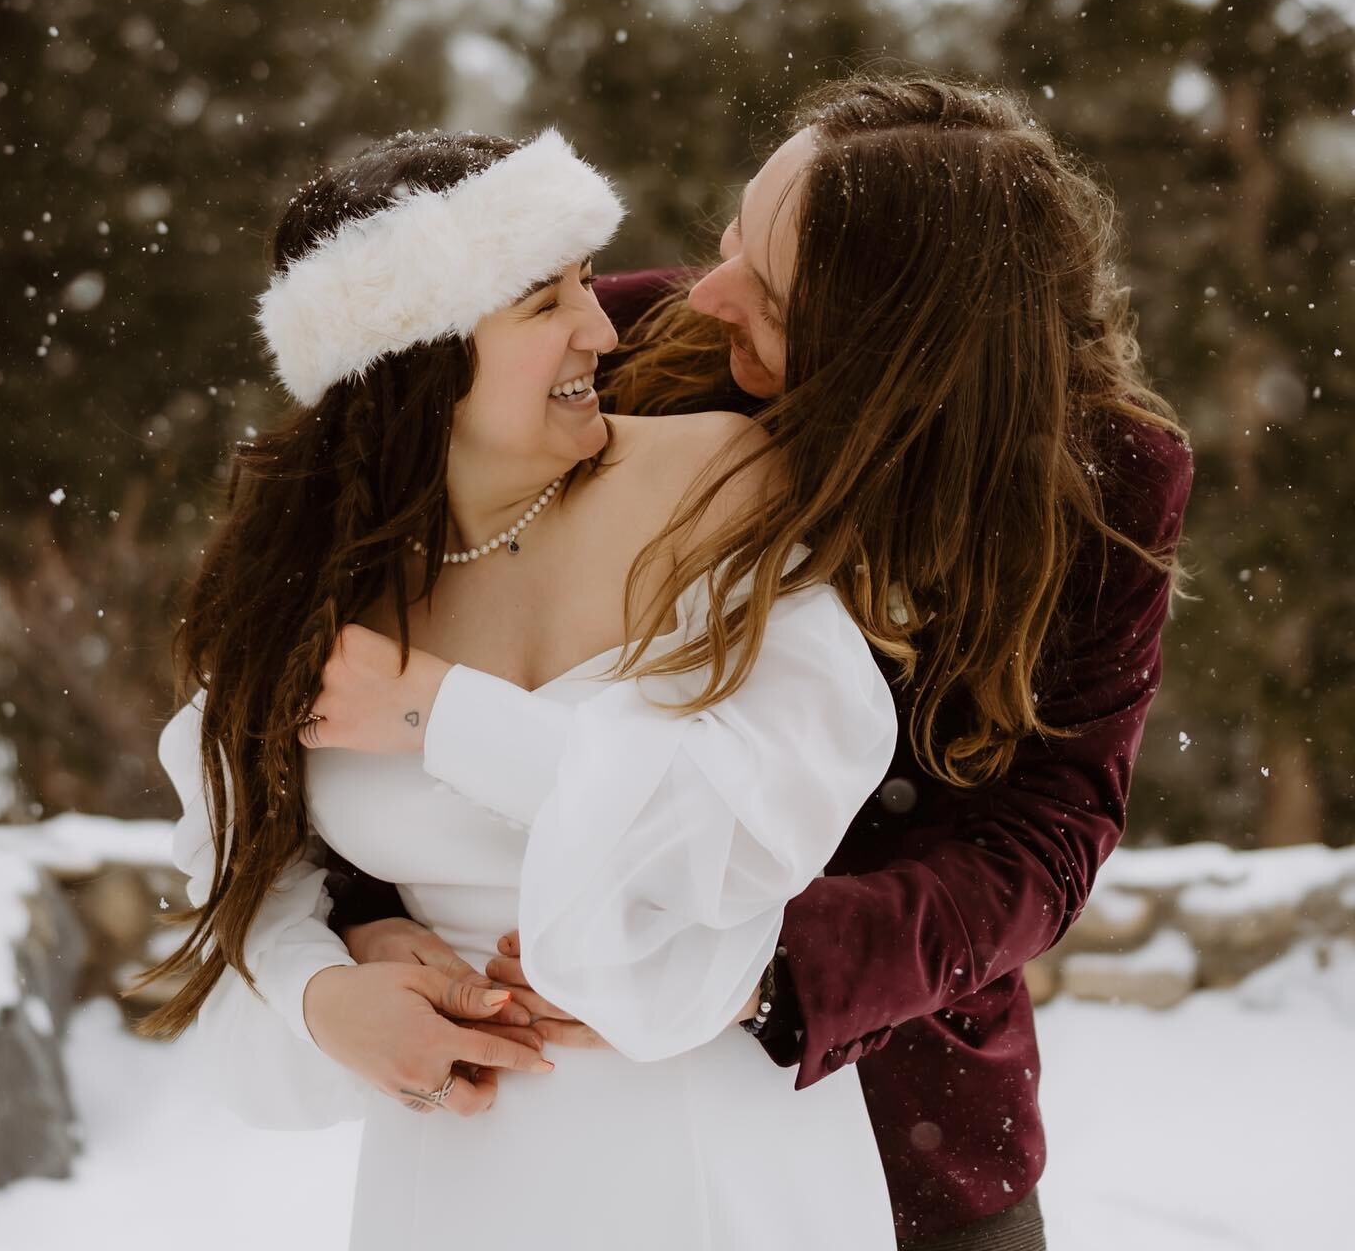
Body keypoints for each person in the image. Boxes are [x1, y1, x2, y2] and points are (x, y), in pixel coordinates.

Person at [287, 74, 1194, 1250]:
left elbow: (1043, 837)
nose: (700, 295)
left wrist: (747, 972)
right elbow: (323, 639)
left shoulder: (1105, 480)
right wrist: (358, 922)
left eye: (766, 290)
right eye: (727, 245)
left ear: (889, 349)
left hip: (902, 1117)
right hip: (558, 1143)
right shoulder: (611, 354)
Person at [144, 126, 903, 1250]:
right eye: (546, 303)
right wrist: (324, 1000)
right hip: (456, 1170)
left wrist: (445, 718)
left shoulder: (713, 487)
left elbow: (764, 819)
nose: (604, 328)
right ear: (417, 354)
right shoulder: (306, 585)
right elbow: (239, 879)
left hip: (711, 1151)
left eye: (588, 283)